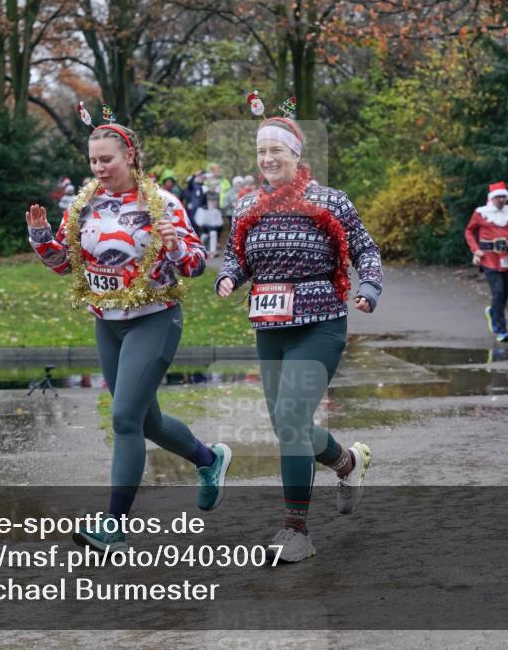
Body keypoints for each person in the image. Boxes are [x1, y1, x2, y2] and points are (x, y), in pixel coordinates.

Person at [25, 121, 231, 552]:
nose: (98, 168)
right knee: (147, 422)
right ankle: (210, 459)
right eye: (93, 161)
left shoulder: (162, 203)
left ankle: (113, 526)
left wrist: (175, 247)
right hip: (107, 322)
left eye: (106, 159)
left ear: (129, 156)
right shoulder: (83, 205)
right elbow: (64, 265)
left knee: (123, 419)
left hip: (154, 320)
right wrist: (41, 237)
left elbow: (195, 265)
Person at [216, 115, 382, 564]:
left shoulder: (330, 201)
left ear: (296, 154)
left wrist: (369, 287)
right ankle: (347, 463)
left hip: (319, 324)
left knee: (291, 420)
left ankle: (296, 530)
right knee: (288, 426)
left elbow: (365, 249)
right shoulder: (247, 205)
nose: (268, 159)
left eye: (276, 150)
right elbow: (236, 256)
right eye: (261, 151)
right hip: (270, 328)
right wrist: (228, 277)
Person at [465, 181, 508, 343]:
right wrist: (476, 250)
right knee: (498, 292)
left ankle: (493, 312)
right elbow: (469, 231)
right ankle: (501, 329)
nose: (501, 200)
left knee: (505, 293)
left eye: (503, 197)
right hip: (489, 258)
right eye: (498, 197)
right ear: (491, 198)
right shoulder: (481, 213)